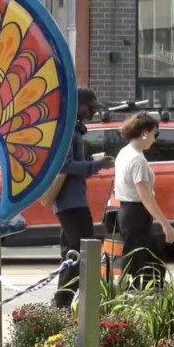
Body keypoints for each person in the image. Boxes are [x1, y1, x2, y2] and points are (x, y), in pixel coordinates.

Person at [50, 87, 115, 309]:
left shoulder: (73, 129)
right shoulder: (68, 131)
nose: (93, 113)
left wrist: (90, 161)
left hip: (72, 200)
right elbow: (65, 165)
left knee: (71, 252)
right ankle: (62, 304)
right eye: (90, 108)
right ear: (77, 106)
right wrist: (97, 165)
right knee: (80, 254)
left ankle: (61, 304)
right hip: (70, 202)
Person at [113, 111, 174, 290]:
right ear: (145, 132)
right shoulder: (137, 159)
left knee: (146, 256)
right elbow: (145, 195)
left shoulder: (124, 153)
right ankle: (135, 294)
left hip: (127, 211)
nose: (154, 139)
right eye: (155, 134)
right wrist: (165, 224)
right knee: (139, 258)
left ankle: (148, 292)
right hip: (137, 212)